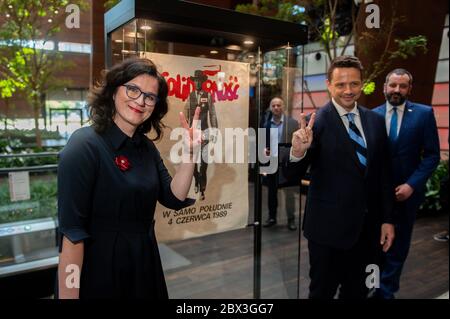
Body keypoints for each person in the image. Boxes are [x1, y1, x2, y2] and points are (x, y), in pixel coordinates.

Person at [56, 58, 201, 299]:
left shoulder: (144, 147)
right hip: (100, 269)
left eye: (150, 96)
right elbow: (72, 234)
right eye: (133, 89)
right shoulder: (84, 145)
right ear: (114, 91)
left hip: (144, 261)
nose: (140, 101)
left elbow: (174, 197)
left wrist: (189, 154)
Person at [285, 55, 395, 299]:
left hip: (367, 231)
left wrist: (387, 219)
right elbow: (290, 175)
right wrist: (297, 151)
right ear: (328, 84)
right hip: (327, 232)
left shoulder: (375, 121)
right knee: (322, 292)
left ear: (362, 84)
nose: (348, 90)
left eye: (354, 84)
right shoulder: (315, 124)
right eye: (341, 84)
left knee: (358, 291)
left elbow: (384, 176)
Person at [373, 68, 440, 299]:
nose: (397, 90)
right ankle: (372, 289)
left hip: (406, 196)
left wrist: (412, 185)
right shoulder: (372, 115)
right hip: (376, 197)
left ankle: (386, 293)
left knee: (397, 250)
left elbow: (432, 155)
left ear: (409, 89)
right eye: (393, 85)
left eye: (402, 86)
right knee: (375, 247)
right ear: (384, 87)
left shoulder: (424, 114)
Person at [261, 97, 299, 231]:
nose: (276, 108)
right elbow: (263, 145)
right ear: (270, 108)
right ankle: (272, 218)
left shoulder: (293, 123)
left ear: (283, 107)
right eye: (273, 105)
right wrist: (264, 151)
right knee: (271, 193)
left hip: (287, 165)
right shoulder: (266, 125)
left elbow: (298, 144)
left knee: (289, 193)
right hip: (272, 164)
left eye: (279, 105)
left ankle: (291, 220)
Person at [185, 70, 218, 201]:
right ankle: (197, 179)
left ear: (203, 82)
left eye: (199, 81)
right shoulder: (190, 96)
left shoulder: (208, 95)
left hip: (205, 132)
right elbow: (186, 113)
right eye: (195, 81)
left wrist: (215, 130)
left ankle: (202, 189)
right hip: (193, 133)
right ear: (193, 82)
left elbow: (213, 114)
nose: (197, 83)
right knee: (192, 162)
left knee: (204, 163)